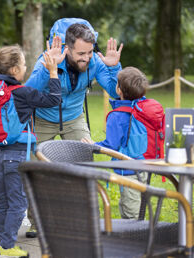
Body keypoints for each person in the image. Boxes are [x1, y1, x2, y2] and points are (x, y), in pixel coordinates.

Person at [24, 22, 123, 237]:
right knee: (35, 170)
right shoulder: (48, 58)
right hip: (42, 118)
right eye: (81, 53)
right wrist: (48, 68)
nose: (86, 58)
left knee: (85, 165)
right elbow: (28, 92)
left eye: (89, 52)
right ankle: (37, 223)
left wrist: (114, 67)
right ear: (67, 49)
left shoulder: (95, 61)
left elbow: (117, 92)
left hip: (74, 118)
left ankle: (88, 221)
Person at [0, 44, 61, 258]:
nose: (25, 67)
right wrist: (53, 72)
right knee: (18, 204)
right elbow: (54, 100)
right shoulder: (22, 93)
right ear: (14, 70)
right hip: (17, 156)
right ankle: (7, 247)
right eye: (24, 64)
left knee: (2, 201)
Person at [82, 66, 149, 219]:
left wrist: (92, 145)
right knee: (138, 206)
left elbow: (110, 146)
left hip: (128, 169)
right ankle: (141, 233)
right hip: (146, 165)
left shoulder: (116, 116)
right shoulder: (143, 108)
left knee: (130, 210)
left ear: (118, 89)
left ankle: (135, 238)